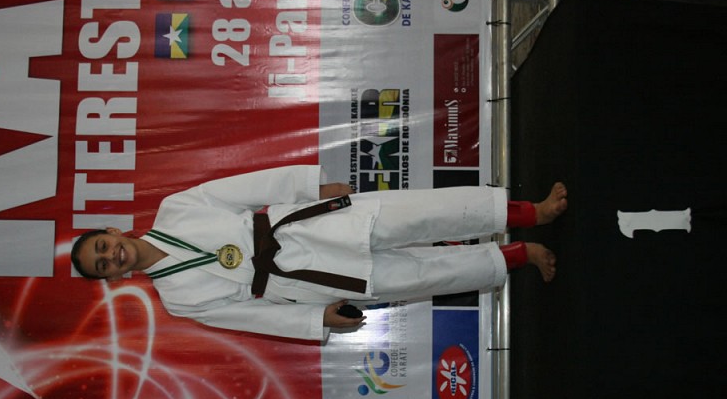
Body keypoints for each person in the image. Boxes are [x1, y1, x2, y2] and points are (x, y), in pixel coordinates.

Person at [72, 165, 567, 341]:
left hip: (303, 225)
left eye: (102, 246)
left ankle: (530, 213)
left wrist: (311, 187)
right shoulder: (177, 299)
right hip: (299, 281)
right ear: (113, 279)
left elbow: (244, 187)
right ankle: (517, 255)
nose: (111, 256)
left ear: (112, 231)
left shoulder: (175, 210)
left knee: (422, 214)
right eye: (103, 265)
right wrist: (315, 319)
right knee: (421, 275)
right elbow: (249, 317)